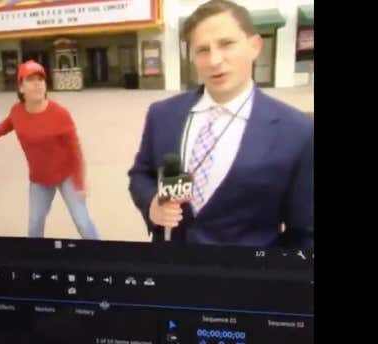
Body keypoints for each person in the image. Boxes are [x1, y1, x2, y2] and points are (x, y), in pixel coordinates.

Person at [128, 0, 313, 248]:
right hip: (168, 269)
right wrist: (152, 203)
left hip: (246, 280)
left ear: (254, 46)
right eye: (203, 50)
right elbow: (141, 174)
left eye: (226, 44)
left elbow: (303, 232)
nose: (215, 60)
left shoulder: (298, 132)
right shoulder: (162, 114)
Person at [0, 60, 100, 240]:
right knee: (34, 226)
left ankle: (102, 257)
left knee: (83, 222)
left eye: (41, 79)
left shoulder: (60, 114)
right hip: (39, 180)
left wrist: (80, 183)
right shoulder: (17, 111)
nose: (38, 84)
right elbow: (8, 124)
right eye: (31, 80)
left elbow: (75, 153)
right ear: (21, 88)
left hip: (66, 175)